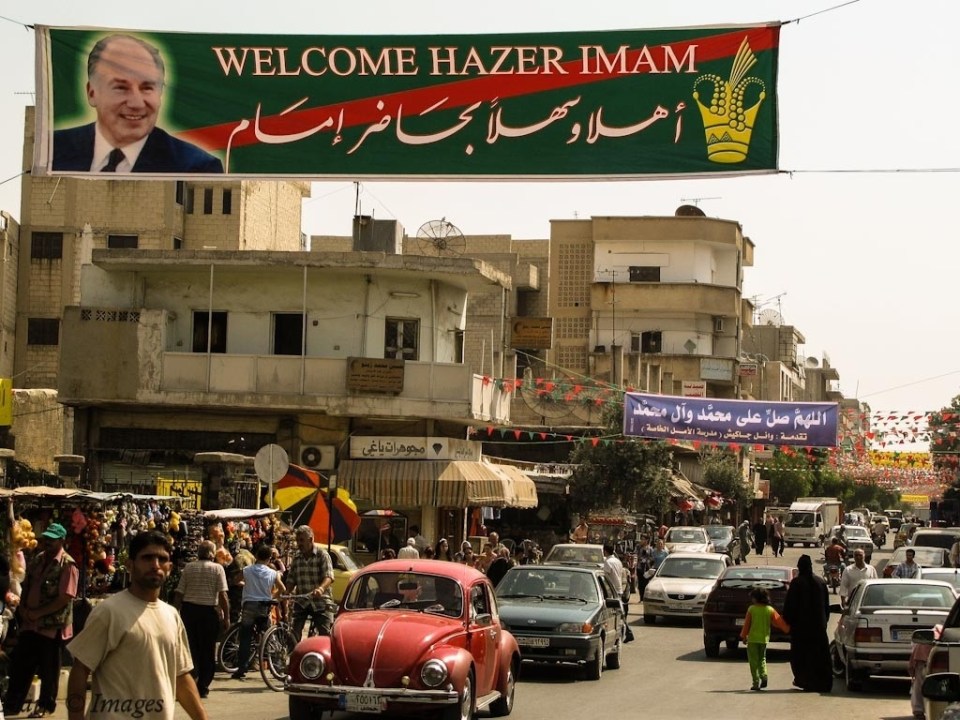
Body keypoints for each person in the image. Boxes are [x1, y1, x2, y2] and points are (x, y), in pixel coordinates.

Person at [66, 530, 208, 720]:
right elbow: (80, 668)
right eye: (147, 558)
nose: (155, 565)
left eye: (162, 559)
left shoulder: (172, 615)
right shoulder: (109, 611)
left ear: (170, 567)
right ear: (130, 565)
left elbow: (181, 677)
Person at [53, 34, 224, 174]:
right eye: (121, 87)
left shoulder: (195, 167)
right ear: (92, 93)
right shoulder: (53, 150)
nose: (136, 103)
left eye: (147, 88)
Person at [5, 522, 80, 718]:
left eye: (52, 540)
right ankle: (13, 704)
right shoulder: (38, 559)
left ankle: (45, 706)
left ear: (61, 541)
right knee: (22, 664)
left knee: (49, 670)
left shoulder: (68, 565)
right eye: (46, 538)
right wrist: (23, 609)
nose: (47, 543)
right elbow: (27, 584)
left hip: (51, 626)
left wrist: (39, 613)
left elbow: (65, 597)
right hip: (30, 624)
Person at [171, 540, 230, 698]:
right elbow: (223, 595)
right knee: (207, 650)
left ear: (198, 552)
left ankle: (192, 680)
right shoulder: (218, 569)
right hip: (208, 613)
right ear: (212, 553)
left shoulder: (189, 567)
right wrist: (227, 617)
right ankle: (202, 685)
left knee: (191, 649)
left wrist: (175, 613)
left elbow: (179, 593)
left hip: (189, 612)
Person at [231, 545, 286, 680]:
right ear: (268, 559)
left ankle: (241, 668)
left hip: (249, 605)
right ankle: (277, 667)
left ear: (256, 556)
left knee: (245, 637)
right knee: (268, 636)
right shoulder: (273, 573)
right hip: (264, 606)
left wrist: (247, 585)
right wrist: (273, 596)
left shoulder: (247, 570)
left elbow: (235, 581)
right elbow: (282, 588)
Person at [782, 554, 833, 692]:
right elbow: (826, 606)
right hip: (818, 627)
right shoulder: (820, 582)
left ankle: (804, 681)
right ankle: (822, 682)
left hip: (801, 628)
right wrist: (824, 622)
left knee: (802, 656)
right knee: (819, 655)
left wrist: (787, 622)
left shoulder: (797, 583)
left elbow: (790, 606)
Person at [284, 526, 335, 640]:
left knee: (325, 634)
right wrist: (287, 591)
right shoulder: (297, 558)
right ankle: (293, 654)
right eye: (297, 541)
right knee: (293, 633)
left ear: (311, 539)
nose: (299, 544)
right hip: (302, 601)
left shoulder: (322, 555)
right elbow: (291, 578)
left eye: (302, 540)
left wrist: (321, 589)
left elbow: (329, 576)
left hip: (320, 601)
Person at [739, 587, 790, 691]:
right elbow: (779, 621)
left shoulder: (751, 609)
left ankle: (756, 682)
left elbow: (747, 625)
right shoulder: (769, 609)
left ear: (755, 598)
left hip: (753, 639)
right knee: (762, 659)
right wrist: (787, 629)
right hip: (764, 639)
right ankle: (764, 675)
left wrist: (744, 636)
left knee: (753, 661)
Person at [602, 544, 634, 642]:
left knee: (615, 613)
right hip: (619, 589)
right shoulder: (617, 561)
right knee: (619, 612)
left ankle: (626, 632)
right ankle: (626, 632)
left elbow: (605, 576)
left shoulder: (607, 562)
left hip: (612, 590)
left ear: (606, 551)